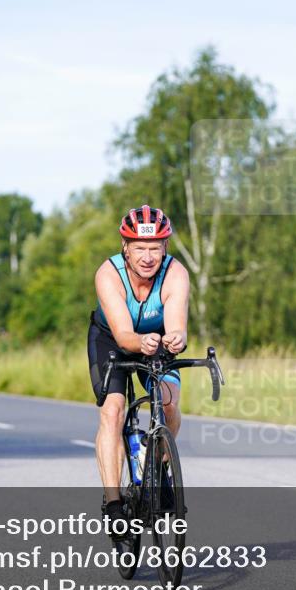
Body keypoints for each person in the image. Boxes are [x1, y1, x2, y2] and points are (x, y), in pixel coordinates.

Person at [88, 205, 190, 535]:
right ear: (126, 248)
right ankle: (114, 504)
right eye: (140, 248)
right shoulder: (108, 274)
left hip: (155, 340)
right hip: (112, 340)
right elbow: (123, 335)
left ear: (165, 247)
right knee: (113, 411)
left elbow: (176, 326)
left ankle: (157, 468)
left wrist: (176, 338)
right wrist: (139, 341)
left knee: (169, 401)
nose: (147, 257)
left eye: (155, 249)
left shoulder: (176, 274)